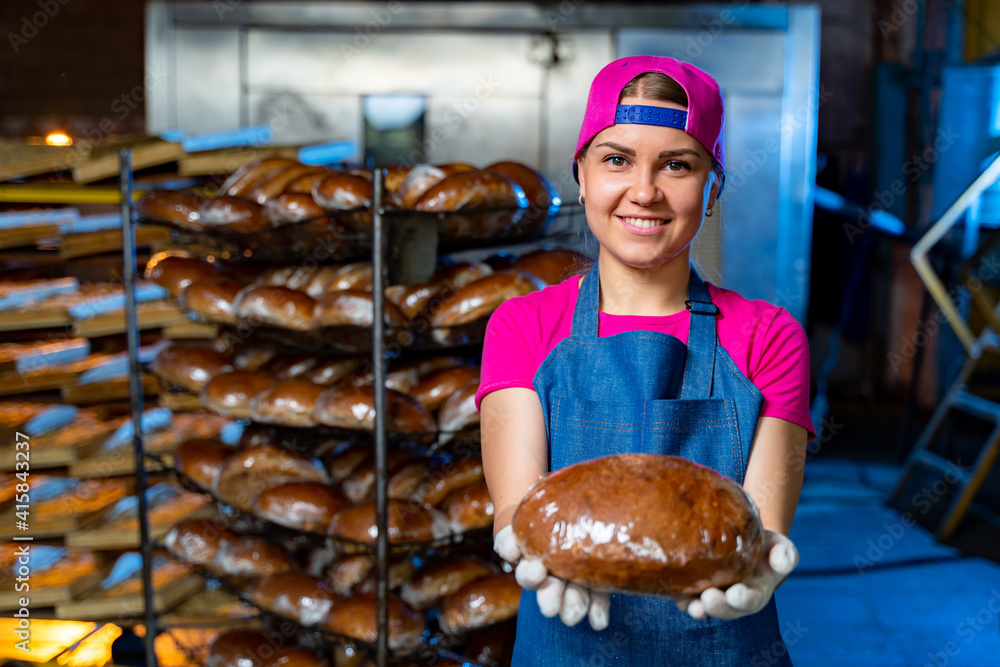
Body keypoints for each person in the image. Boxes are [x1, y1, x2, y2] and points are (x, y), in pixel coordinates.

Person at [478, 56, 814, 665]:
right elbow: (520, 507)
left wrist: (763, 562)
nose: (644, 191)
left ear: (712, 187)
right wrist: (516, 539)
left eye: (677, 165)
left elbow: (758, 529)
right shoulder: (523, 326)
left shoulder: (769, 336)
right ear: (580, 175)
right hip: (563, 644)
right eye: (616, 159)